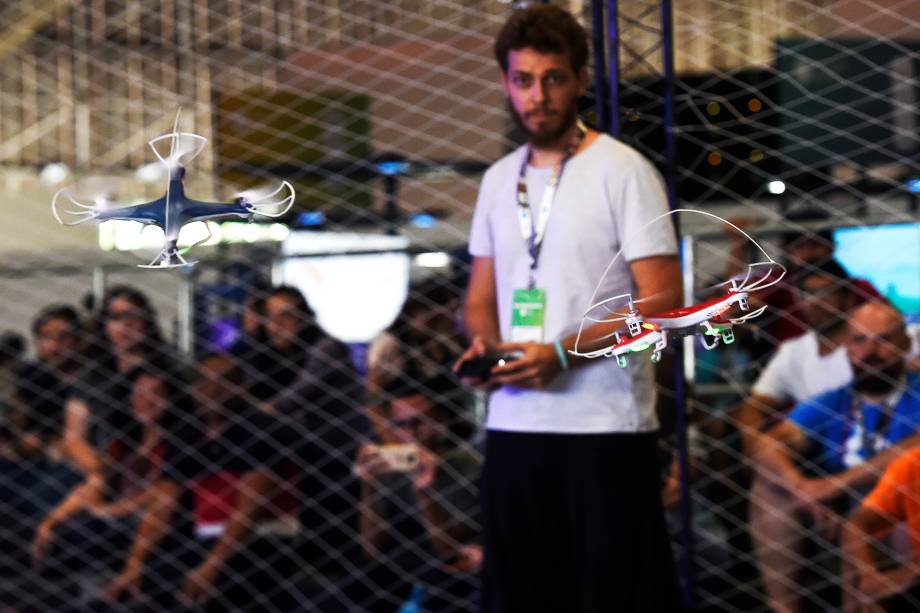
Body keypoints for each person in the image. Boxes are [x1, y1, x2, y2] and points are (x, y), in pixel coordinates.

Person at [457, 5, 683, 611]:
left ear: (581, 80)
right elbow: (480, 298)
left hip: (604, 431)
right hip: (513, 427)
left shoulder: (624, 170)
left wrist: (563, 353)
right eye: (523, 80)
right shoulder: (497, 180)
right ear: (506, 83)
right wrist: (485, 346)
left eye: (553, 78)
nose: (538, 96)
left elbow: (663, 303)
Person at [750, 300, 920, 613]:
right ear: (846, 346)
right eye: (860, 340)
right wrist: (802, 488)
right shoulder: (835, 400)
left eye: (884, 339)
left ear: (906, 344)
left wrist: (834, 485)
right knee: (770, 490)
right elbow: (770, 443)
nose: (871, 351)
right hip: (836, 510)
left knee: (901, 507)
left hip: (898, 506)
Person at [109, 353, 300, 612]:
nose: (212, 389)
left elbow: (248, 511)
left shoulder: (263, 429)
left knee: (192, 593)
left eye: (224, 381)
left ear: (241, 386)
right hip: (203, 542)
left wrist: (212, 565)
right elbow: (163, 504)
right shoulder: (186, 435)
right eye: (203, 382)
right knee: (135, 590)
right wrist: (134, 566)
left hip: (263, 542)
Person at [28, 370, 189, 609]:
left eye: (157, 394)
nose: (146, 401)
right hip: (113, 520)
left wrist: (110, 511)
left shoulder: (179, 442)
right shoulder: (123, 442)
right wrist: (49, 522)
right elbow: (95, 485)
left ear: (171, 400)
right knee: (63, 526)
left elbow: (163, 493)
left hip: (149, 525)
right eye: (139, 394)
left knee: (87, 528)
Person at [355, 376, 481, 612]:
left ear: (441, 420)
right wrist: (368, 484)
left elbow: (451, 552)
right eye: (401, 425)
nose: (412, 433)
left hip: (450, 574)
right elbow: (371, 549)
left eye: (420, 422)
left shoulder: (468, 466)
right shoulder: (391, 465)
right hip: (401, 571)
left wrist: (424, 490)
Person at [733, 259, 861, 451]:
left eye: (826, 293)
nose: (816, 302)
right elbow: (754, 406)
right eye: (808, 294)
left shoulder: (869, 344)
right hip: (809, 453)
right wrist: (758, 448)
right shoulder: (794, 351)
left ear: (848, 298)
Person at [842, 447, 920, 612]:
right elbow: (857, 523)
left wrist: (906, 574)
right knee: (857, 552)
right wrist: (869, 577)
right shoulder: (912, 462)